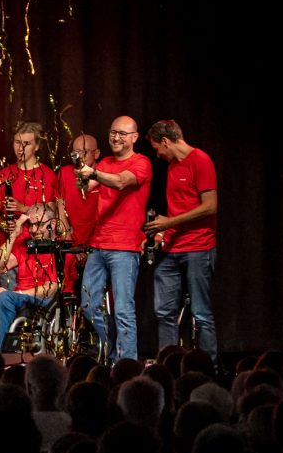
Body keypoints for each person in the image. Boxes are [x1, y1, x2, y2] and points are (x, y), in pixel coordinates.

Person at [143, 119, 218, 365]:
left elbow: (210, 207)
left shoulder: (201, 161)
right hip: (173, 248)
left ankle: (209, 366)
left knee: (201, 313)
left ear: (166, 141)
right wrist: (162, 233)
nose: (158, 154)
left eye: (157, 149)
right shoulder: (173, 167)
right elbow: (176, 209)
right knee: (164, 311)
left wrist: (169, 224)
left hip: (198, 247)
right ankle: (169, 365)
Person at [78, 116, 153, 362]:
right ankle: (111, 352)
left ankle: (127, 363)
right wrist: (83, 174)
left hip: (125, 247)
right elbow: (86, 187)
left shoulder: (141, 162)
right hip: (98, 244)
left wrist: (94, 174)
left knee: (123, 309)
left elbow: (121, 182)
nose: (116, 137)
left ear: (134, 137)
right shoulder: (106, 162)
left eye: (122, 133)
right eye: (113, 132)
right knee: (89, 305)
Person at [0, 203, 60, 349]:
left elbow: (50, 289)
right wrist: (13, 236)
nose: (33, 230)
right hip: (18, 298)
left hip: (43, 301)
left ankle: (3, 353)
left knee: (5, 297)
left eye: (38, 225)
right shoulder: (25, 247)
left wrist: (15, 294)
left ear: (52, 224)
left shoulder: (57, 249)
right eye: (30, 225)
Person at [0, 121, 59, 290]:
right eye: (17, 143)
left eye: (26, 144)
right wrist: (4, 225)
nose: (20, 148)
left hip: (35, 252)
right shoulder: (4, 174)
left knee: (31, 303)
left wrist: (23, 208)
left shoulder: (47, 175)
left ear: (36, 146)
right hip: (8, 252)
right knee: (10, 303)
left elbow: (51, 214)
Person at [58, 133, 100, 293]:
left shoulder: (104, 174)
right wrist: (72, 247)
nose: (79, 157)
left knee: (93, 294)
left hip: (97, 246)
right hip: (71, 244)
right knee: (67, 289)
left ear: (96, 154)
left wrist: (90, 250)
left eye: (84, 152)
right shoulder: (65, 173)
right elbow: (60, 212)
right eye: (76, 152)